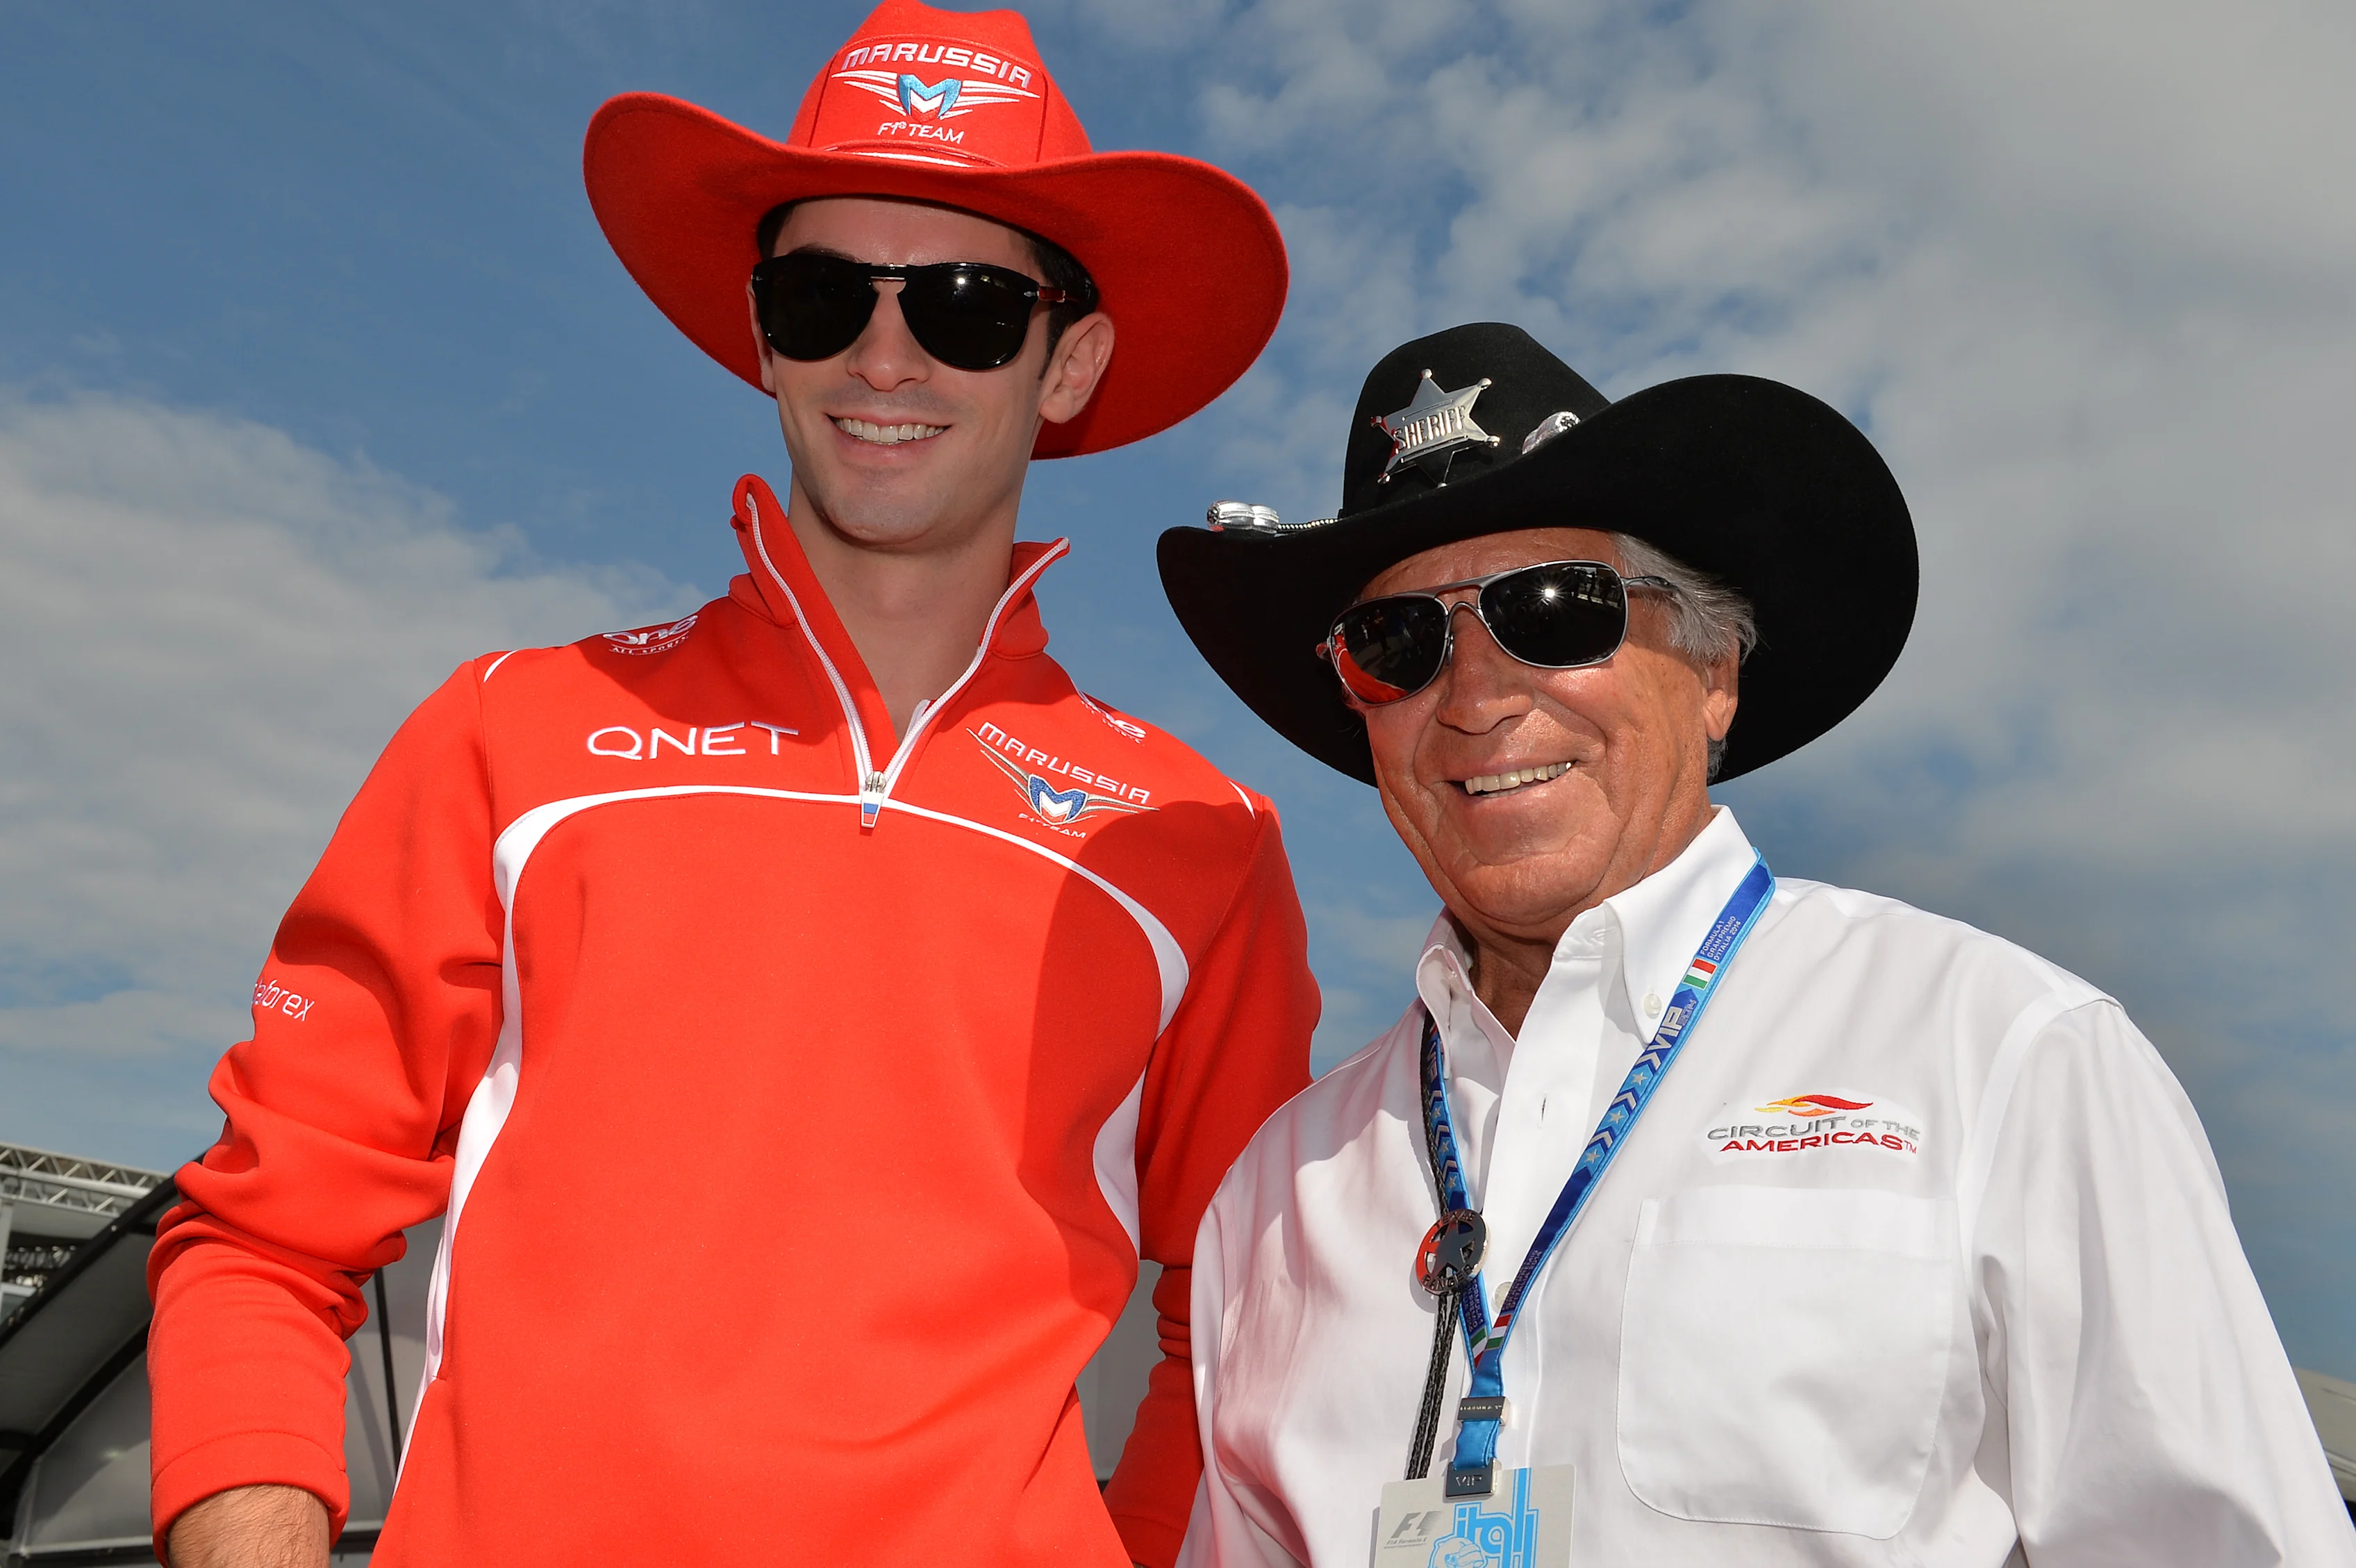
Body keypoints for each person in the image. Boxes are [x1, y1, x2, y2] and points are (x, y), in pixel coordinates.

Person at [146, 6, 1316, 1566]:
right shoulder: (512, 729)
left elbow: (1242, 1329)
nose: (884, 356)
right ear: (762, 331)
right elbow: (261, 1236)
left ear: (1067, 361)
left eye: (968, 306)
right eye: (823, 295)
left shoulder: (1200, 838)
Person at [1157, 322, 2355, 1565]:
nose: (1474, 696)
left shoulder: (2008, 1058)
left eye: (1556, 610)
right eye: (1396, 641)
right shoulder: (1274, 1192)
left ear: (1717, 665)